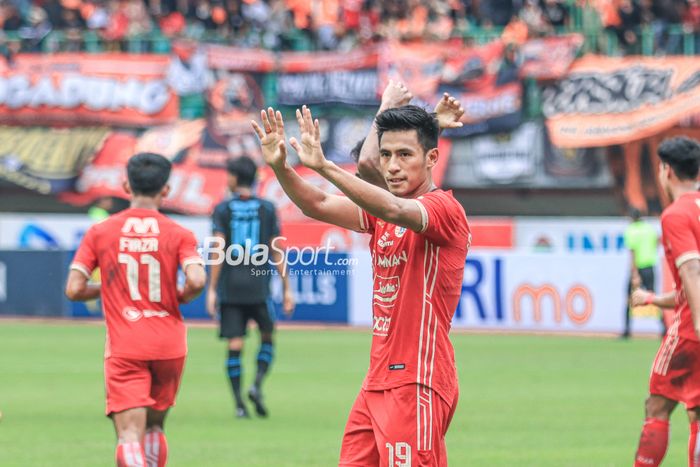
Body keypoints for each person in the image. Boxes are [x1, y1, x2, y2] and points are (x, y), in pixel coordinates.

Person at [251, 103, 470, 465]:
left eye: (404, 154)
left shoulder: (443, 209)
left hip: (418, 379)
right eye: (386, 155)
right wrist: (281, 167)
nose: (392, 165)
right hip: (377, 380)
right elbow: (318, 203)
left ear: (432, 157)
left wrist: (324, 166)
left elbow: (397, 210)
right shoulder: (381, 211)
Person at [65, 153, 206, 467]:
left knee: (129, 434)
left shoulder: (101, 232)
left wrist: (112, 288)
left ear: (126, 185)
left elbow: (73, 289)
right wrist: (181, 295)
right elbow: (197, 278)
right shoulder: (179, 233)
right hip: (170, 344)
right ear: (166, 190)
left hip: (127, 344)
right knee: (155, 426)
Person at [206, 155, 295, 419]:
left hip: (231, 288)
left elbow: (218, 248)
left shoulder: (222, 209)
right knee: (267, 336)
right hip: (259, 286)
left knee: (235, 343)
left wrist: (212, 289)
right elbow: (276, 248)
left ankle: (239, 404)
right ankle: (256, 384)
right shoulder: (267, 208)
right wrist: (287, 286)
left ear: (234, 177)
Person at [630, 136, 700, 467]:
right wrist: (654, 299)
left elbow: (692, 269)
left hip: (691, 329)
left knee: (657, 405)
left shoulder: (675, 214)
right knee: (697, 413)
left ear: (666, 171)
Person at [622, 207, 661, 338]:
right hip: (650, 266)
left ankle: (627, 330)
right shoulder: (649, 229)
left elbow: (633, 253)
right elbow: (657, 242)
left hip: (638, 268)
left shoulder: (631, 230)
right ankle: (665, 328)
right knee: (655, 298)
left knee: (629, 298)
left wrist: (634, 274)